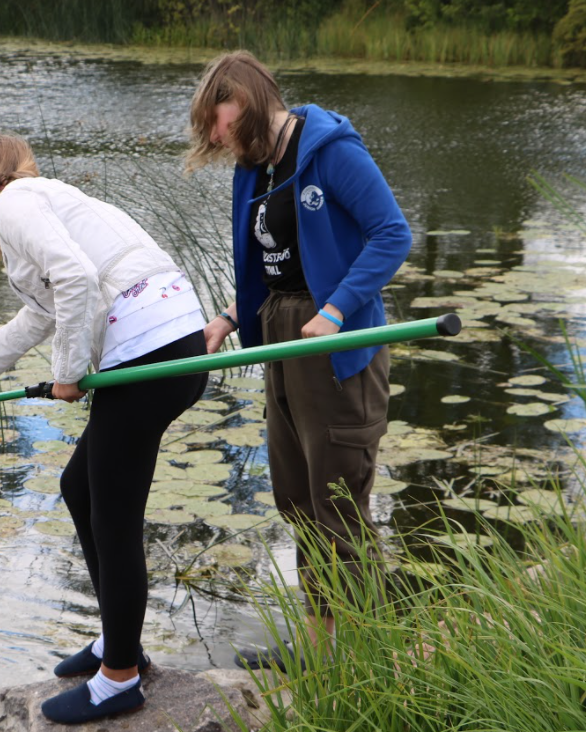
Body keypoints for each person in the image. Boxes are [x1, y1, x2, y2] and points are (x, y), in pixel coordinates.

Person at [0, 132, 208, 724]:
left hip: (151, 354)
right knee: (80, 489)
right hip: (174, 341)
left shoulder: (12, 202)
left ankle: (120, 679)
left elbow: (75, 279)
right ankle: (115, 642)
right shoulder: (44, 198)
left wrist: (68, 374)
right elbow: (44, 312)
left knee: (113, 515)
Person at [186, 51, 411, 672]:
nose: (213, 135)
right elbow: (270, 261)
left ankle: (360, 649)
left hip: (333, 345)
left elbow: (392, 234)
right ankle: (323, 640)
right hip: (279, 336)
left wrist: (337, 311)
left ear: (249, 101)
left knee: (337, 500)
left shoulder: (330, 150)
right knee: (294, 497)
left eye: (217, 118)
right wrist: (231, 317)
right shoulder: (254, 168)